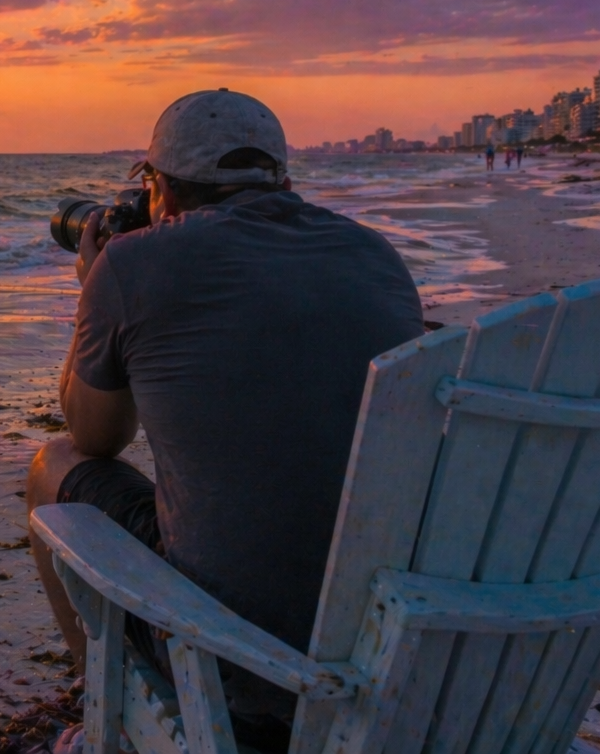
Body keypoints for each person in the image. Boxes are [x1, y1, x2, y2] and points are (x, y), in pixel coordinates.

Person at [28, 90, 422, 751]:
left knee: (52, 468)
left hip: (226, 655)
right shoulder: (374, 255)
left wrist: (94, 291)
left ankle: (108, 704)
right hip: (375, 632)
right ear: (285, 181)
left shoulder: (132, 264)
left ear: (161, 190)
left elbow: (96, 438)